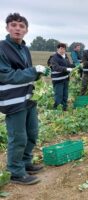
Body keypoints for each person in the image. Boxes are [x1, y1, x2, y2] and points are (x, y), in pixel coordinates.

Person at [0, 13, 50, 185]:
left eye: (21, 26)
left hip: (28, 97)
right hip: (13, 100)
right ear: (7, 28)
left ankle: (25, 162)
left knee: (32, 133)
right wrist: (33, 71)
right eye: (13, 25)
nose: (17, 29)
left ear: (26, 30)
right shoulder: (2, 48)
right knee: (18, 136)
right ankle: (15, 171)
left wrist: (38, 74)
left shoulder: (24, 49)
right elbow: (7, 76)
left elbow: (27, 74)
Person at [49, 43, 75, 111]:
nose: (62, 50)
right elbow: (56, 67)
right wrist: (65, 69)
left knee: (65, 95)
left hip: (65, 79)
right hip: (58, 80)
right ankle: (57, 110)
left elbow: (69, 65)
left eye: (64, 48)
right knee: (58, 96)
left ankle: (64, 108)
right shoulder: (53, 57)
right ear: (57, 49)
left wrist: (75, 66)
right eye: (61, 48)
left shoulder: (65, 56)